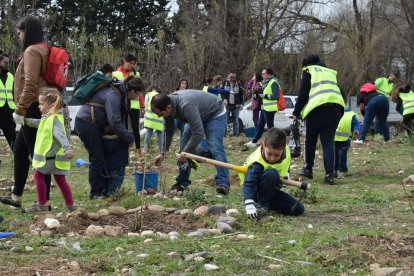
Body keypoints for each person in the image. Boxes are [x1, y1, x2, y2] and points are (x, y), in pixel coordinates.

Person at [0, 15, 55, 209]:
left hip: (32, 108)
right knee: (20, 150)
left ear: (27, 32)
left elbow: (30, 84)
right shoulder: (46, 49)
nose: (19, 36)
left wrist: (20, 109)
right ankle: (16, 197)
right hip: (42, 106)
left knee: (38, 156)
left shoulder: (32, 51)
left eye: (20, 32)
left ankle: (44, 202)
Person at [75, 76, 145, 199]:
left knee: (100, 157)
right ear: (133, 91)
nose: (138, 97)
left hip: (93, 124)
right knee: (97, 158)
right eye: (138, 94)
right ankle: (96, 193)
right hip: (86, 124)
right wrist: (129, 138)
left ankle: (103, 189)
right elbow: (114, 122)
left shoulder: (120, 93)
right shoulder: (114, 95)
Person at [151, 90, 230, 195]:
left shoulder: (186, 105)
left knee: (216, 146)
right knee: (183, 148)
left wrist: (185, 153)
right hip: (196, 115)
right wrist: (162, 152)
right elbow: (169, 131)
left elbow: (198, 133)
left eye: (160, 114)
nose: (160, 117)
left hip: (215, 113)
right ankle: (182, 182)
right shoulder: (167, 103)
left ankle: (223, 183)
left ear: (168, 108)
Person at [293, 54, 345, 184]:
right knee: (328, 142)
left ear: (306, 64)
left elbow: (304, 92)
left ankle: (308, 169)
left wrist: (296, 112)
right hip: (336, 109)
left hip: (317, 110)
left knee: (311, 140)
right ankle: (329, 175)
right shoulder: (330, 72)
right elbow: (340, 92)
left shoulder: (308, 70)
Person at [22, 89, 76, 213]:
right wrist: (25, 121)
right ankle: (71, 206)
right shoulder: (48, 118)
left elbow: (61, 135)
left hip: (50, 157)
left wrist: (68, 149)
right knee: (61, 181)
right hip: (54, 158)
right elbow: (39, 123)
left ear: (52, 105)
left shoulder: (54, 119)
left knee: (38, 176)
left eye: (42, 104)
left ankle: (41, 205)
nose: (39, 107)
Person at [240, 128, 304, 218]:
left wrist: (286, 175)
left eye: (277, 155)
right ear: (264, 145)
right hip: (255, 193)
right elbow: (249, 183)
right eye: (269, 154)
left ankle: (267, 204)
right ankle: (262, 207)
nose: (272, 158)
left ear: (283, 148)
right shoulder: (257, 162)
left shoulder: (286, 150)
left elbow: (285, 163)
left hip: (270, 191)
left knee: (298, 209)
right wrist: (249, 204)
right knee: (272, 173)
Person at [112, 54, 143, 160]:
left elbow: (139, 90)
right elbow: (114, 86)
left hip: (134, 104)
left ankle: (139, 151)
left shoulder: (136, 73)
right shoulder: (116, 73)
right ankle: (123, 148)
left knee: (135, 128)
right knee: (123, 125)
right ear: (124, 61)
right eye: (130, 63)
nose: (132, 65)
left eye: (134, 64)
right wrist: (126, 79)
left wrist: (142, 104)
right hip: (123, 104)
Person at [245, 68, 281, 147]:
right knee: (261, 125)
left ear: (269, 74)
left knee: (270, 127)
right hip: (265, 108)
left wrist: (264, 96)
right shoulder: (266, 83)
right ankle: (254, 142)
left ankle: (273, 143)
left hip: (270, 109)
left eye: (264, 74)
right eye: (262, 74)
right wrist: (259, 93)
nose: (262, 75)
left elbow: (276, 96)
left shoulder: (273, 82)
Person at [334, 101, 360, 178]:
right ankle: (334, 170)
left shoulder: (351, 114)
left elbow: (356, 124)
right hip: (334, 139)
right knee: (334, 155)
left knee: (342, 155)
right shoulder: (335, 112)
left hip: (345, 140)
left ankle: (342, 170)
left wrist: (356, 130)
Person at [102, 127, 129, 195]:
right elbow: (130, 137)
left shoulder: (103, 141)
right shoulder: (121, 140)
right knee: (118, 179)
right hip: (120, 164)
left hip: (108, 164)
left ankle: (107, 191)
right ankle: (112, 193)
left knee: (110, 179)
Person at [0, 51, 16, 150]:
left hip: (8, 113)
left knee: (13, 138)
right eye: (5, 62)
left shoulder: (10, 76)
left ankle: (21, 159)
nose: (7, 64)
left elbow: (15, 94)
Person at [222, 71, 244, 136]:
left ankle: (236, 135)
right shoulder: (225, 83)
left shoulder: (238, 83)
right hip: (227, 105)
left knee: (236, 121)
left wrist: (242, 104)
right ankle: (224, 135)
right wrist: (224, 99)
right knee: (225, 121)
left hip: (236, 105)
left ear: (235, 77)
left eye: (233, 77)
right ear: (228, 76)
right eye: (231, 77)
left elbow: (241, 94)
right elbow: (221, 93)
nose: (232, 79)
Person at [143, 87, 164, 153]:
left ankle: (146, 149)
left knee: (149, 133)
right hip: (159, 118)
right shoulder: (161, 96)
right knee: (160, 134)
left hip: (150, 118)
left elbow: (145, 105)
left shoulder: (148, 94)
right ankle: (162, 150)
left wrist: (145, 113)